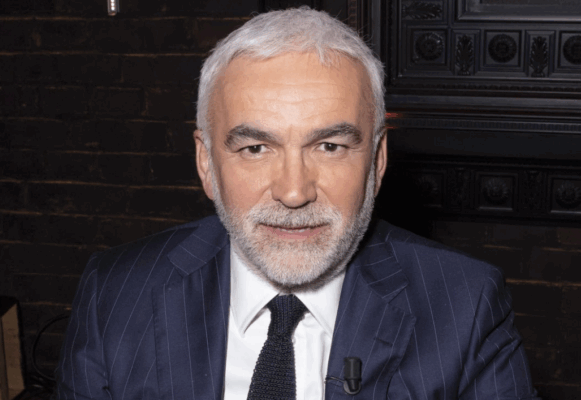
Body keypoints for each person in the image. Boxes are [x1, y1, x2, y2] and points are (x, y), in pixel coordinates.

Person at [54, 6, 540, 400]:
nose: (293, 192)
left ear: (376, 161)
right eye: (255, 148)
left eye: (329, 146)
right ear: (206, 163)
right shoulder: (115, 294)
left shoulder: (465, 305)